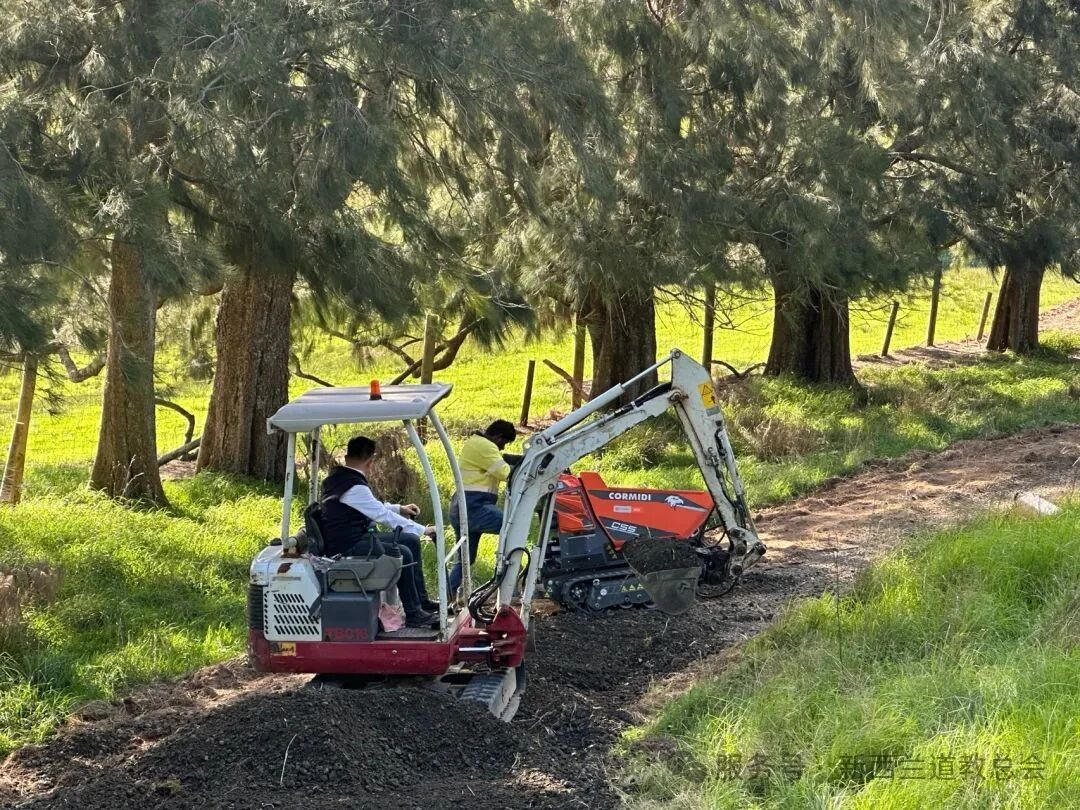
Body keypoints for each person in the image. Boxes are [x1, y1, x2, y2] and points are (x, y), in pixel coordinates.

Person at [320, 435, 439, 628]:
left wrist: (399, 508)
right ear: (370, 461)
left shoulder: (340, 478)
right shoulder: (353, 485)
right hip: (347, 545)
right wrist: (424, 530)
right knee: (404, 552)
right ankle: (414, 613)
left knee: (410, 540)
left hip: (352, 537)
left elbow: (372, 507)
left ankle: (421, 601)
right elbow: (381, 516)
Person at [448, 419, 519, 597]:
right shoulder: (486, 446)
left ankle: (447, 596)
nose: (502, 448)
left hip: (461, 506)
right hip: (475, 507)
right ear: (498, 436)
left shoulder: (475, 443)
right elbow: (505, 472)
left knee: (465, 559)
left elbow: (500, 460)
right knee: (513, 527)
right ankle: (502, 580)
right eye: (504, 443)